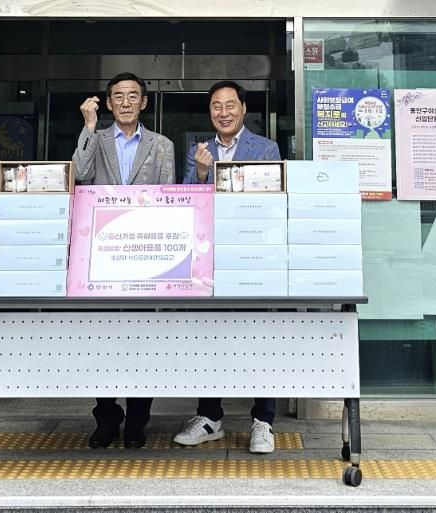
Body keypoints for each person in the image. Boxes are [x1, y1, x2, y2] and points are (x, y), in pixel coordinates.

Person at [72, 72, 175, 449]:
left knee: (144, 339)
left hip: (146, 256)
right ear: (109, 103)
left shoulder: (161, 145)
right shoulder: (96, 139)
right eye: (119, 96)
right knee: (102, 339)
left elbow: (169, 198)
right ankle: (106, 417)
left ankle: (137, 420)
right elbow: (80, 175)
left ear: (144, 102)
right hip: (103, 256)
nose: (126, 102)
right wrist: (88, 126)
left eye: (133, 96)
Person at [178, 80, 280, 454]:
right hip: (212, 258)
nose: (223, 112)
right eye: (216, 106)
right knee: (210, 336)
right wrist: (202, 174)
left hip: (252, 256)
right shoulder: (198, 151)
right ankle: (209, 417)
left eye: (230, 105)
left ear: (243, 108)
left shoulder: (266, 149)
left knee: (259, 335)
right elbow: (187, 200)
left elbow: (270, 201)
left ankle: (263, 421)